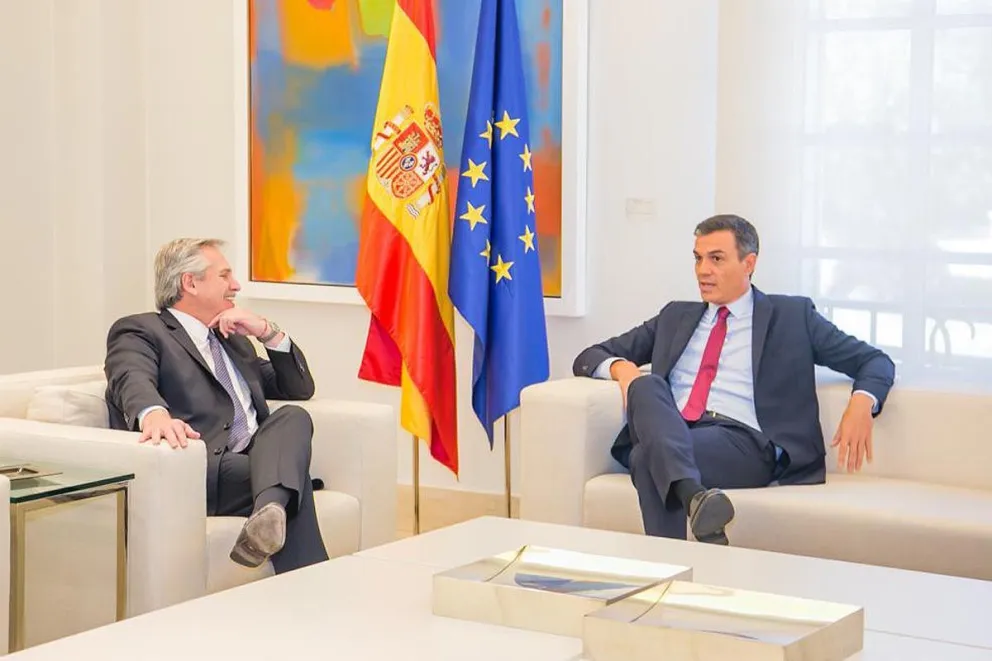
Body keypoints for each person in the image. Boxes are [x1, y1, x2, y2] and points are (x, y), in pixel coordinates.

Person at [573, 215, 895, 544]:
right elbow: (588, 356)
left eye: (716, 259)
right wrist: (624, 370)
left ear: (749, 263)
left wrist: (862, 402)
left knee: (645, 458)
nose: (702, 270)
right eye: (698, 259)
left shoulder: (792, 317)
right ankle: (698, 503)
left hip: (744, 443)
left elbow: (874, 360)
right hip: (676, 430)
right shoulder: (675, 316)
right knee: (645, 386)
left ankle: (674, 552)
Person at [104, 238, 328, 572]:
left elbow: (298, 388)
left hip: (257, 457)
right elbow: (131, 376)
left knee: (294, 416)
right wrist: (154, 414)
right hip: (204, 464)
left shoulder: (233, 338)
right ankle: (279, 511)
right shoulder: (142, 330)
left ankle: (270, 511)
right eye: (225, 276)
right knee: (291, 480)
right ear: (189, 282)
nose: (236, 286)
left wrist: (267, 332)